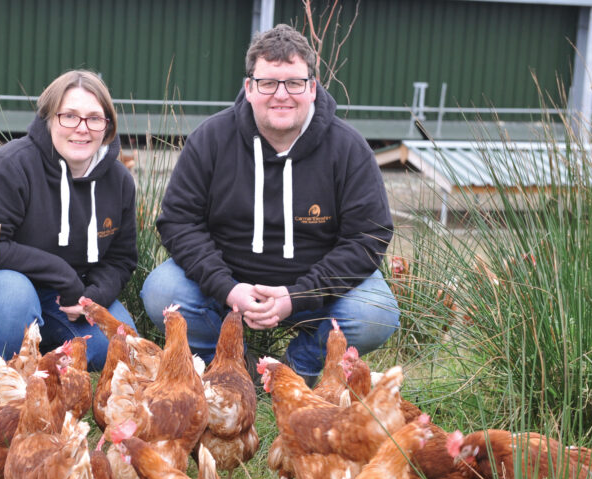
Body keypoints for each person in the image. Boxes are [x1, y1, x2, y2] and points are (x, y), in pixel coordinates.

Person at [140, 24, 399, 384]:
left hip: (317, 293)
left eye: (294, 82)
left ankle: (298, 368)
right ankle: (229, 362)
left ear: (312, 86)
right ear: (249, 88)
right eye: (268, 83)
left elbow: (368, 237)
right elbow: (179, 222)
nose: (281, 95)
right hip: (227, 288)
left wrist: (298, 295)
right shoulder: (210, 140)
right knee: (161, 291)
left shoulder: (349, 148)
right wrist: (227, 288)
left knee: (376, 312)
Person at [0, 70, 138, 395]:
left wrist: (95, 296)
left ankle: (34, 365)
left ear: (108, 125)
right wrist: (63, 275)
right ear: (48, 117)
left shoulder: (118, 180)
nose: (82, 128)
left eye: (94, 118)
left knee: (121, 342)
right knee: (13, 296)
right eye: (69, 116)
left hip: (61, 296)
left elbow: (121, 258)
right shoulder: (10, 166)